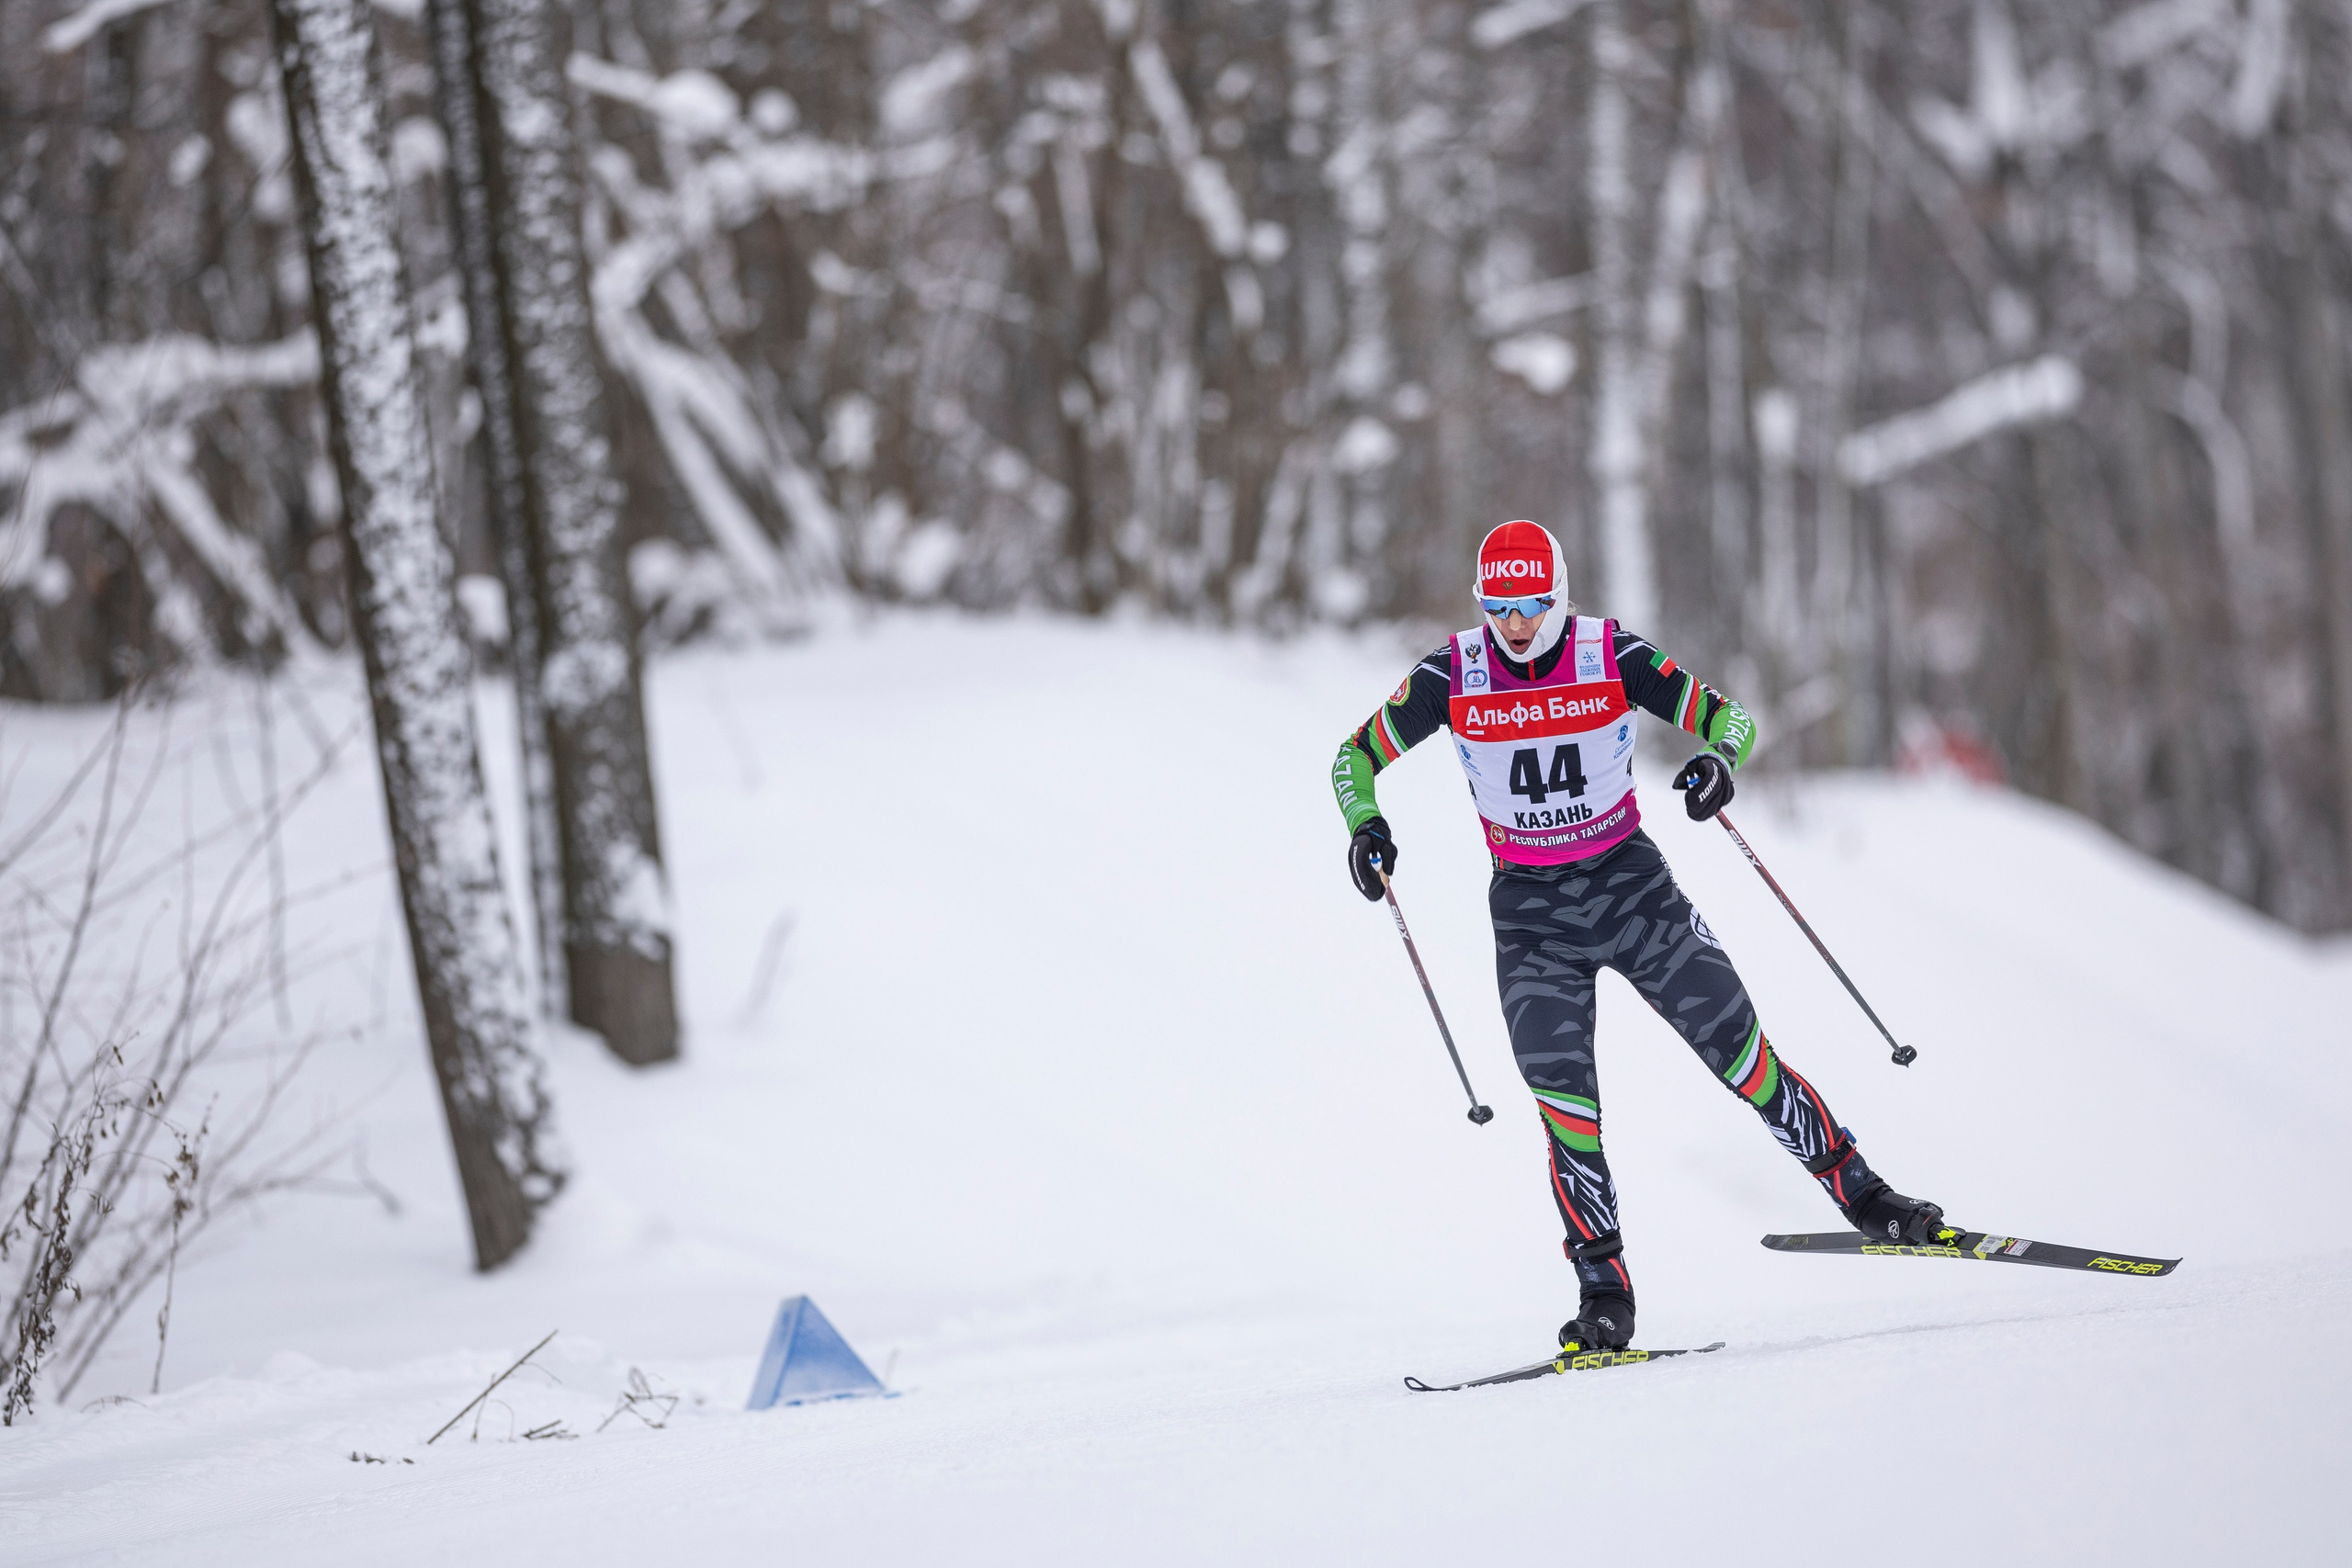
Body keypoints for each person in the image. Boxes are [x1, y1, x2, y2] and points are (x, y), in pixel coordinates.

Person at [1331, 519, 1952, 1355]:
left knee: (1742, 1055)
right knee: (1566, 1109)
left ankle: (1866, 1195)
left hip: (1633, 892)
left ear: (1561, 598)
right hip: (1530, 916)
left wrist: (1717, 763)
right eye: (1498, 606)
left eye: (1532, 605)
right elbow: (1353, 758)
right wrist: (1366, 827)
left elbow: (1728, 719)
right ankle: (1604, 1293)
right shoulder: (1454, 672)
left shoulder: (1608, 654)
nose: (1514, 626)